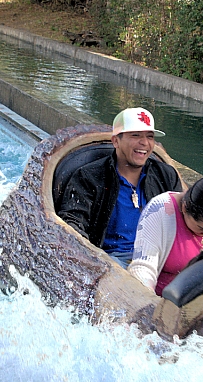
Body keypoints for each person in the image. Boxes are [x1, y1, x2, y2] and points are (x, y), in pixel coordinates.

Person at [58, 108, 182, 266]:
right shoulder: (89, 177)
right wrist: (93, 260)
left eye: (149, 136)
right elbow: (72, 222)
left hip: (157, 257)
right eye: (136, 135)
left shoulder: (165, 175)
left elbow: (183, 216)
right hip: (111, 261)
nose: (145, 143)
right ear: (116, 141)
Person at [128, 177, 203, 295]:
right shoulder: (160, 209)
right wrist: (151, 302)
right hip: (166, 300)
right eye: (202, 228)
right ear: (185, 208)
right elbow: (143, 269)